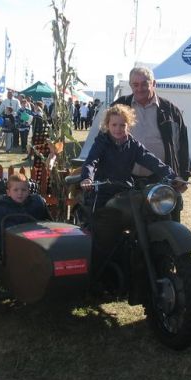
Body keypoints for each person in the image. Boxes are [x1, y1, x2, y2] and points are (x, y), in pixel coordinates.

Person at [80, 104, 182, 283]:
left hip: (124, 192)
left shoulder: (133, 144)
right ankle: (94, 278)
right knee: (102, 235)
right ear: (107, 125)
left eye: (122, 125)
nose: (118, 129)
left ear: (129, 125)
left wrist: (172, 176)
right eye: (114, 125)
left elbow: (152, 161)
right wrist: (87, 178)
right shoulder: (102, 141)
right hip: (102, 192)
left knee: (147, 218)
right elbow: (91, 161)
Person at [112, 66, 191, 183]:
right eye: (135, 84)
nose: (140, 88)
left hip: (162, 178)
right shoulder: (120, 106)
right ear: (130, 85)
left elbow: (182, 143)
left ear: (153, 83)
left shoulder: (170, 110)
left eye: (144, 84)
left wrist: (184, 176)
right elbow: (103, 138)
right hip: (123, 177)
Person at [0, 173, 50, 255]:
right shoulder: (2, 208)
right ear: (8, 192)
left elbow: (47, 222)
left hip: (35, 245)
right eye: (16, 190)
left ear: (28, 191)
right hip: (10, 248)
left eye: (23, 190)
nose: (20, 193)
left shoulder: (36, 204)